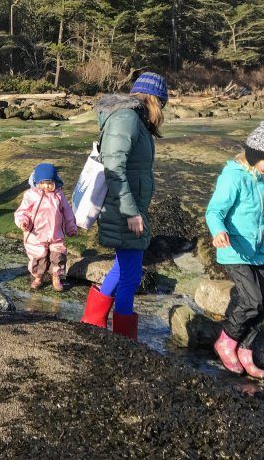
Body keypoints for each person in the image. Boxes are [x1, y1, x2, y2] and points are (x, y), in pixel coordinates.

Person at [204, 120, 264, 379]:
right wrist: (218, 231)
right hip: (234, 250)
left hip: (257, 252)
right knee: (251, 301)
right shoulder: (233, 178)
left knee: (263, 304)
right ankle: (226, 341)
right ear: (254, 155)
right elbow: (215, 211)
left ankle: (246, 351)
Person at [79, 72, 169, 340]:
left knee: (122, 267)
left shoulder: (132, 118)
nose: (162, 111)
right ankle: (124, 338)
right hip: (123, 208)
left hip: (127, 206)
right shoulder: (127, 118)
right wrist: (131, 212)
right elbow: (114, 167)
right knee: (130, 274)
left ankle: (92, 321)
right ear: (154, 99)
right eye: (162, 104)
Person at [14, 163, 77, 292]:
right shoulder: (31, 195)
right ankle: (38, 276)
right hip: (36, 233)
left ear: (55, 182)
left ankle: (56, 277)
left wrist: (71, 227)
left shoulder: (59, 195)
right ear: (37, 182)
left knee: (58, 255)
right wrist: (23, 221)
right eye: (43, 183)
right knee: (38, 256)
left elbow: (67, 212)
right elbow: (22, 211)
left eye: (49, 183)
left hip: (56, 232)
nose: (46, 186)